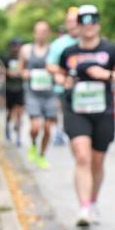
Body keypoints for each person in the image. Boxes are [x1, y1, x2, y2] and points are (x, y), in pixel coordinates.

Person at [48, 5, 115, 228]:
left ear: (98, 24)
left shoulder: (110, 49)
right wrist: (63, 80)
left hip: (103, 111)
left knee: (97, 161)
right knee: (82, 156)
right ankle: (84, 208)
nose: (88, 27)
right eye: (84, 23)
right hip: (76, 110)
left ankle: (93, 201)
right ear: (77, 26)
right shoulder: (69, 52)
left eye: (93, 22)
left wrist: (106, 74)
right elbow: (58, 73)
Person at [18, 20, 58, 169]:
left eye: (44, 31)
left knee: (47, 128)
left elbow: (60, 68)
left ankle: (41, 155)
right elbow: (20, 69)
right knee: (35, 127)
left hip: (50, 94)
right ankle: (34, 144)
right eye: (38, 31)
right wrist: (25, 74)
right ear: (34, 33)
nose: (41, 34)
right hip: (33, 94)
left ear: (48, 33)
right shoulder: (26, 50)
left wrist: (55, 73)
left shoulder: (53, 50)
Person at [47, 8, 81, 146]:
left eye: (75, 20)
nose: (73, 24)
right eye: (69, 21)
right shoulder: (58, 44)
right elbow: (50, 65)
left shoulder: (89, 40)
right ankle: (59, 132)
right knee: (62, 110)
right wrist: (66, 73)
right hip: (63, 87)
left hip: (85, 88)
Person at [1, 38, 25, 145]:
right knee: (10, 112)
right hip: (9, 88)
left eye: (18, 46)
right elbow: (0, 70)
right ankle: (7, 126)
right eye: (14, 46)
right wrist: (8, 73)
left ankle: (18, 136)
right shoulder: (6, 58)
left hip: (20, 88)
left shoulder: (23, 58)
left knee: (20, 112)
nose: (16, 48)